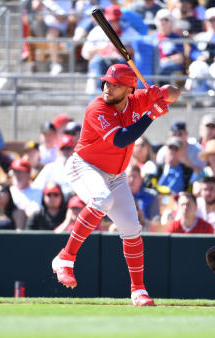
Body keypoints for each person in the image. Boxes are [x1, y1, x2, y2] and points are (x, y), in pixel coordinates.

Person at [51, 63, 180, 306]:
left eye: (115, 85)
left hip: (117, 174)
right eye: (107, 82)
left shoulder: (137, 99)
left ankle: (138, 290)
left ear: (129, 90)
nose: (108, 88)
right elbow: (122, 139)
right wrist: (151, 113)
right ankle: (65, 258)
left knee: (132, 229)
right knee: (102, 199)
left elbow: (176, 92)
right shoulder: (97, 107)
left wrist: (158, 93)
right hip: (84, 166)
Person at [81, 5, 140, 94]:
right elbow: (85, 53)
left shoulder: (130, 32)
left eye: (116, 20)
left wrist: (119, 48)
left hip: (121, 65)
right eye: (111, 20)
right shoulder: (97, 31)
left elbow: (138, 51)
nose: (113, 23)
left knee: (121, 66)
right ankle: (99, 92)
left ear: (120, 20)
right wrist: (102, 48)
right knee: (98, 61)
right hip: (101, 65)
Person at [152, 8, 185, 86]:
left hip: (171, 66)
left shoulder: (176, 38)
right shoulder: (152, 37)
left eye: (166, 19)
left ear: (171, 22)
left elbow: (180, 58)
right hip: (155, 65)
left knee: (166, 67)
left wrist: (167, 59)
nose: (163, 22)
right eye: (161, 19)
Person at [127, 164, 160, 229]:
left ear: (141, 179)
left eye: (134, 176)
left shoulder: (151, 196)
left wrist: (142, 220)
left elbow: (155, 220)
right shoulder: (119, 197)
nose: (131, 180)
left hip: (146, 231)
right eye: (129, 176)